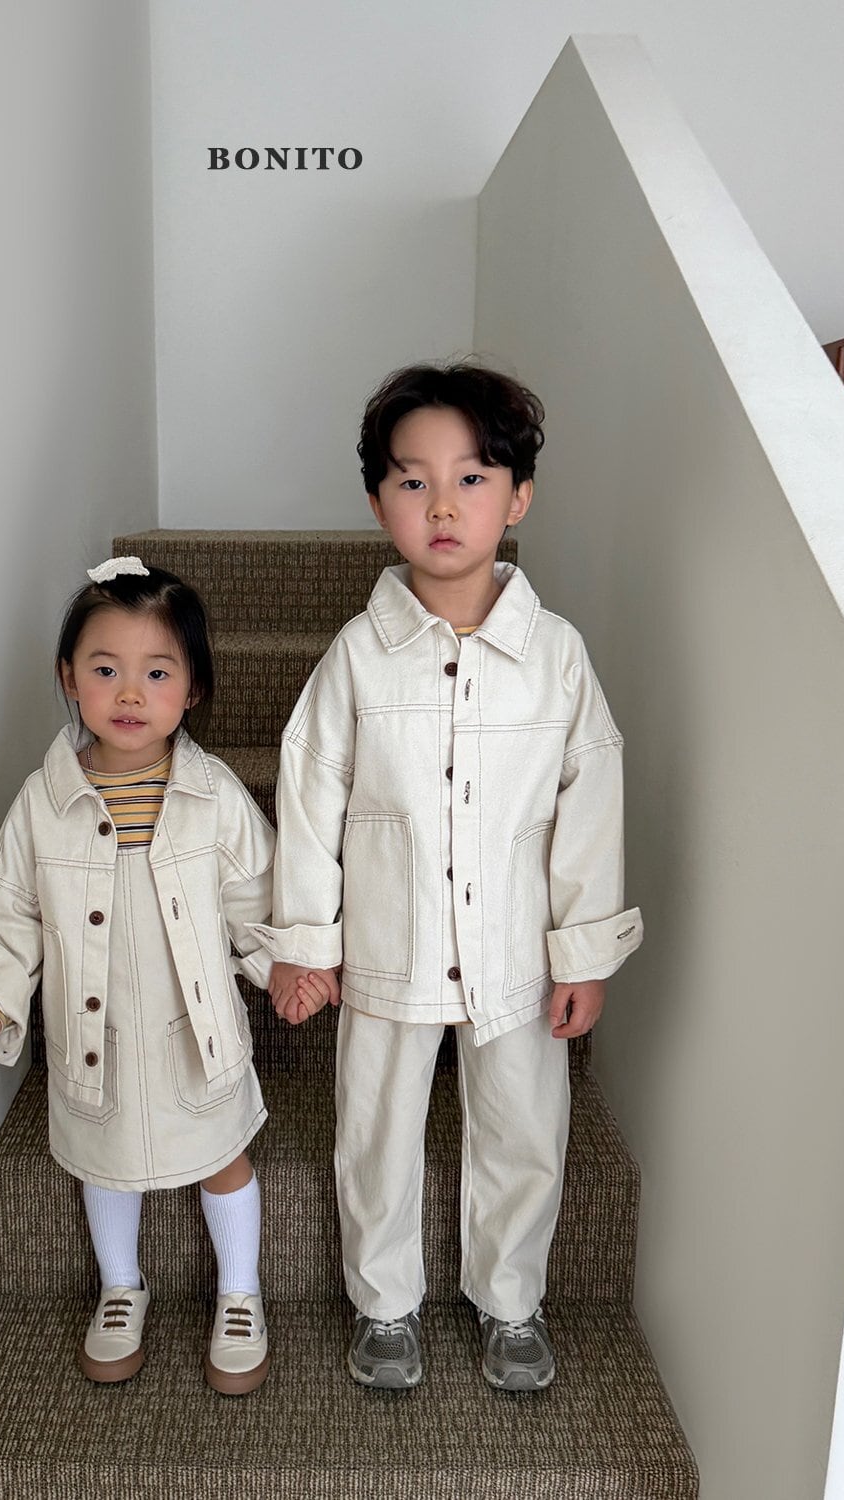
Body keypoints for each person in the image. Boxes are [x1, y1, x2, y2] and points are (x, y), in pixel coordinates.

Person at [251, 363, 643, 1392]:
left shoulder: (556, 658)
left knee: (524, 1129)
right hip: (391, 946)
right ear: (377, 500)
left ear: (517, 498)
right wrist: (307, 943)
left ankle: (512, 1301)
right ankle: (384, 1304)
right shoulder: (357, 658)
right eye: (412, 480)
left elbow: (589, 807)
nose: (441, 505)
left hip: (514, 955)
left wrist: (582, 952)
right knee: (374, 1130)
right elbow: (310, 798)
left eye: (471, 478)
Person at [0, 558, 323, 1395]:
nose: (129, 692)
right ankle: (121, 1286)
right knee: (103, 1161)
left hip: (196, 1035)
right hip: (98, 1035)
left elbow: (256, 896)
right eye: (105, 669)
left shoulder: (213, 795)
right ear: (68, 679)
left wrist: (285, 968)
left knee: (223, 1156)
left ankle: (239, 1292)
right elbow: (9, 910)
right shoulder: (42, 804)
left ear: (191, 690)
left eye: (157, 673)